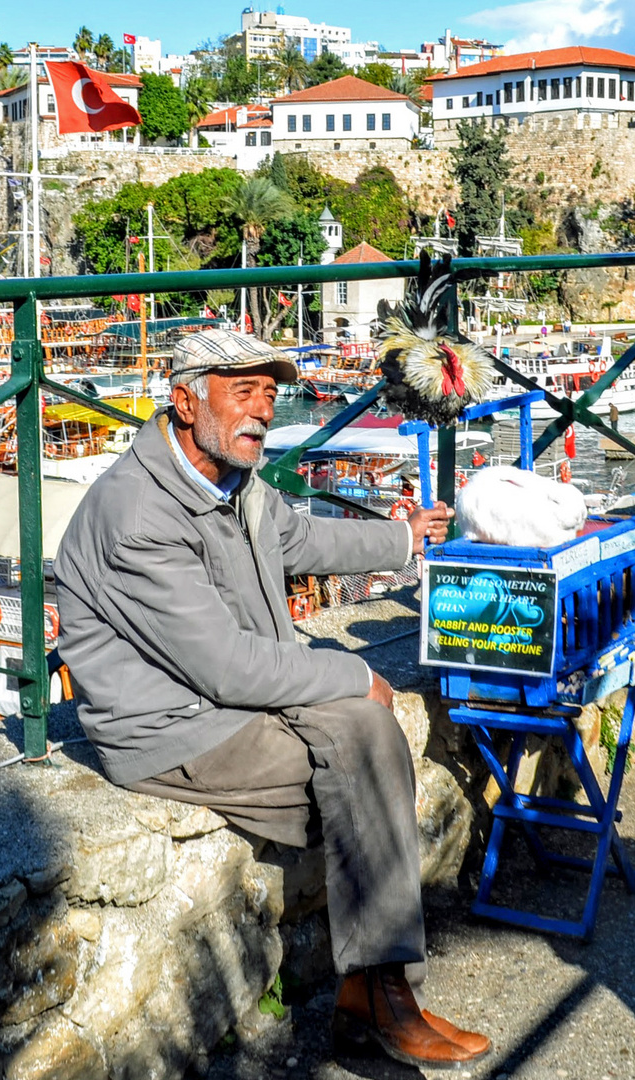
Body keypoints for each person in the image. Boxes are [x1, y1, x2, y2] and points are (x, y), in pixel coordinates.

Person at [54, 328, 491, 1069]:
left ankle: (373, 994)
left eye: (269, 393)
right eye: (242, 391)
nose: (261, 410)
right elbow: (227, 668)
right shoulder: (140, 516)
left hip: (226, 699)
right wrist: (354, 675)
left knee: (367, 741)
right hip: (172, 728)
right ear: (185, 400)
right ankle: (383, 996)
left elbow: (301, 540)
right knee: (368, 747)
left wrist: (401, 539)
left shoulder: (233, 482)